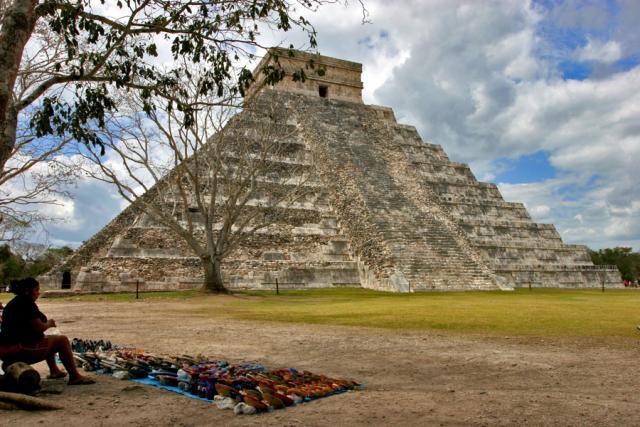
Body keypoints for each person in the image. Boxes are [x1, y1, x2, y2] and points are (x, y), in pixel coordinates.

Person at [0, 277, 94, 385]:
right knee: (61, 340)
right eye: (36, 290)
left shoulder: (14, 303)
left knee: (48, 339)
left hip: (6, 349)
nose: (38, 293)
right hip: (21, 349)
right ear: (27, 291)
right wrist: (49, 324)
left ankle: (54, 370)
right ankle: (75, 376)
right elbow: (39, 327)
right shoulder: (26, 303)